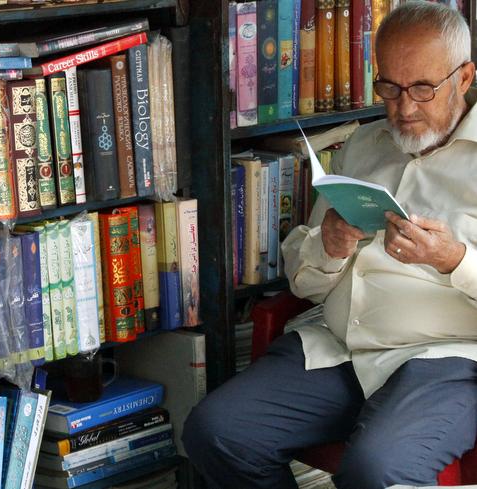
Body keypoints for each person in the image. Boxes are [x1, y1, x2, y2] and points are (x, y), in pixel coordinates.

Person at [182, 3, 477, 488]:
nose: (404, 108)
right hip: (337, 346)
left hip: (443, 358)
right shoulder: (363, 145)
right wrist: (330, 246)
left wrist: (453, 260)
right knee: (217, 433)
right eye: (389, 87)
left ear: (464, 77)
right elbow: (305, 277)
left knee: (376, 469)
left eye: (423, 88)